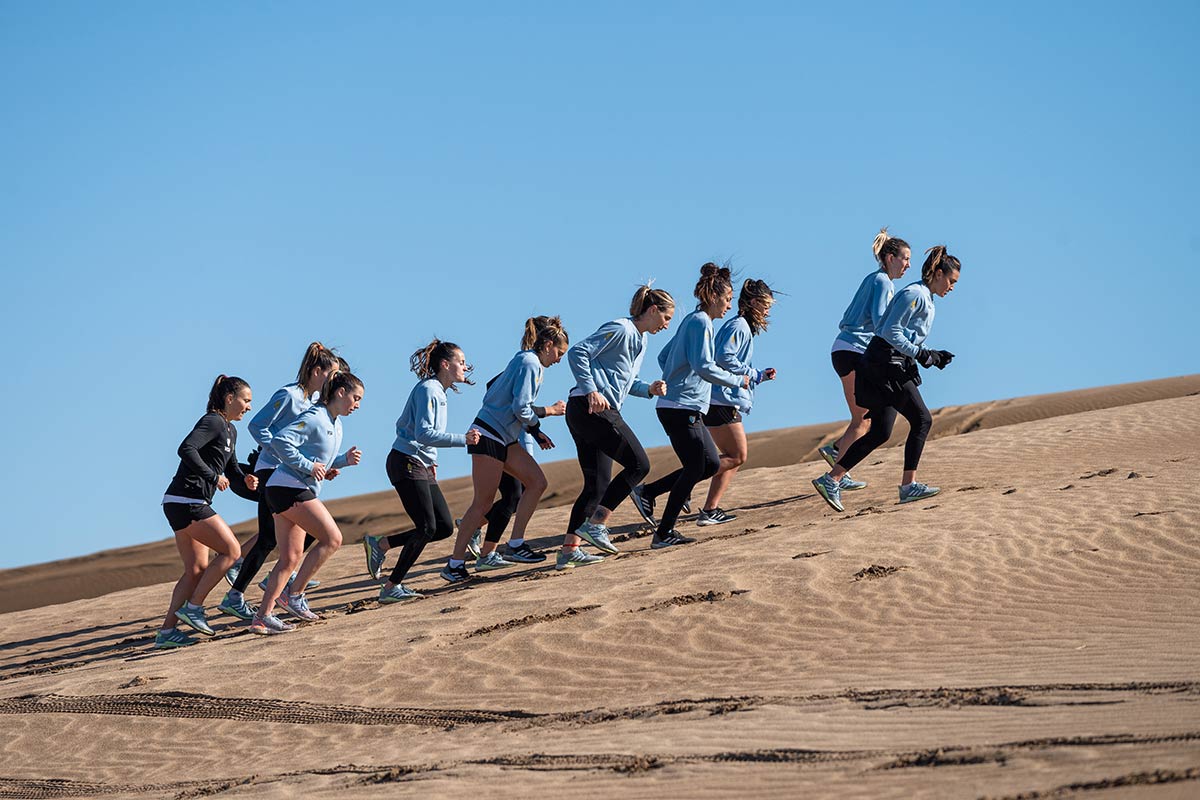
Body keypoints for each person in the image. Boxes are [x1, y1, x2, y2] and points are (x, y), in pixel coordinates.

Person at [812, 246, 961, 512]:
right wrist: (923, 354)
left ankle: (831, 479)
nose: (952, 287)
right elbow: (888, 330)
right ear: (938, 274)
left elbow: (903, 334)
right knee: (923, 419)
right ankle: (908, 487)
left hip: (889, 362)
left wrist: (932, 356)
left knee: (881, 431)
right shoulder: (914, 293)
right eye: (951, 281)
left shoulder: (925, 296)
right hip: (884, 364)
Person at [441, 316, 570, 582]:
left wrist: (536, 430)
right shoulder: (529, 363)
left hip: (504, 437)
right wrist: (546, 414)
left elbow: (506, 399)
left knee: (536, 482)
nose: (559, 359)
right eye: (559, 352)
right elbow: (520, 407)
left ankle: (515, 545)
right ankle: (454, 564)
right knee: (483, 502)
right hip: (488, 435)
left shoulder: (526, 361)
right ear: (547, 345)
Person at [630, 263, 750, 548]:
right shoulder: (701, 323)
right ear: (713, 297)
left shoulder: (693, 322)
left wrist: (675, 376)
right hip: (680, 408)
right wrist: (737, 380)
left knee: (704, 464)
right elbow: (704, 366)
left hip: (682, 406)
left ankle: (649, 494)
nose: (729, 306)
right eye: (727, 299)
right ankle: (663, 531)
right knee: (702, 465)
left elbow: (665, 356)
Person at [218, 343, 340, 620]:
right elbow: (256, 425)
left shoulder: (313, 403)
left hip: (291, 473)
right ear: (317, 371)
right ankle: (237, 595)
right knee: (269, 537)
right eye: (331, 374)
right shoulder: (290, 395)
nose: (334, 382)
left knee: (285, 533)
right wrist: (281, 451)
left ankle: (272, 578)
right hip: (271, 470)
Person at [361, 340, 481, 602]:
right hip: (405, 461)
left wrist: (431, 460)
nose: (465, 366)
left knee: (443, 527)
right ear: (445, 365)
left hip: (420, 463)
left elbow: (424, 435)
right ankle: (392, 587)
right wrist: (464, 439)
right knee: (426, 527)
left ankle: (381, 545)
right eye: (461, 362)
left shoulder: (439, 390)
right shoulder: (429, 390)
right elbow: (424, 433)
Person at [564, 284, 673, 556]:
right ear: (652, 310)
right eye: (666, 317)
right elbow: (578, 352)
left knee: (597, 484)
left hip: (588, 410)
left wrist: (648, 389)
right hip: (590, 407)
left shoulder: (641, 339)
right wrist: (591, 391)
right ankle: (597, 525)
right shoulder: (621, 329)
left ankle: (569, 551)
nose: (667, 325)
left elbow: (625, 381)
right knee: (639, 464)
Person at [252, 372, 364, 634]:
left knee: (289, 558)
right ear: (340, 392)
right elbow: (281, 441)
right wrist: (307, 466)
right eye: (355, 398)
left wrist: (342, 461)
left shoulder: (335, 424)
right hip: (287, 487)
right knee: (333, 538)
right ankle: (295, 595)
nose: (357, 404)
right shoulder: (315, 416)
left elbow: (317, 461)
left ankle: (262, 617)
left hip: (287, 488)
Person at [156, 376, 257, 648]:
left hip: (182, 502)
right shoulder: (212, 421)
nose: (249, 407)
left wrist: (246, 478)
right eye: (246, 400)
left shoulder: (230, 430)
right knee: (232, 551)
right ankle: (194, 608)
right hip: (187, 500)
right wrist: (213, 476)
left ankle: (166, 633)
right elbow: (186, 448)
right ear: (229, 399)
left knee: (197, 570)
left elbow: (232, 468)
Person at [817, 228, 911, 491]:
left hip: (847, 349)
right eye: (905, 258)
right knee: (866, 420)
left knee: (863, 419)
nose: (908, 265)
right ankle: (837, 462)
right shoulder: (882, 282)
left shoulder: (876, 279)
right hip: (853, 351)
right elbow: (882, 322)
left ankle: (838, 457)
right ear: (890, 257)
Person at [699, 279, 778, 524]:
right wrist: (752, 374)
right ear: (753, 302)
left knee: (731, 457)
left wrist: (758, 376)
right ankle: (670, 486)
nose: (768, 310)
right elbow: (723, 357)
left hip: (724, 399)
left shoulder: (741, 326)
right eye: (766, 304)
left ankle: (710, 510)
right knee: (737, 456)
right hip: (720, 400)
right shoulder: (739, 326)